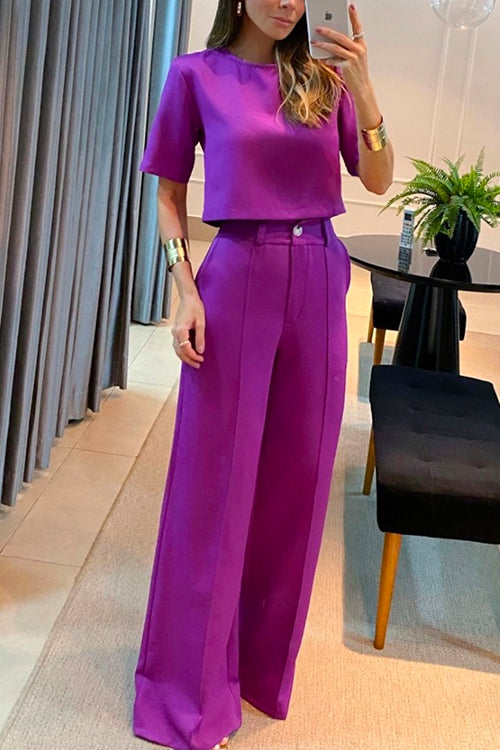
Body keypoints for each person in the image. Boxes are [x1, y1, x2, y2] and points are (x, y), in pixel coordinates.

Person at [133, 1, 393, 749]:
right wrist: (184, 290)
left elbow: (377, 178)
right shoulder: (195, 76)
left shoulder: (324, 79)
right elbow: (168, 193)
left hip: (320, 273)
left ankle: (257, 670)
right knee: (214, 486)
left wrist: (365, 89)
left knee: (299, 482)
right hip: (237, 274)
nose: (288, 4)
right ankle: (188, 693)